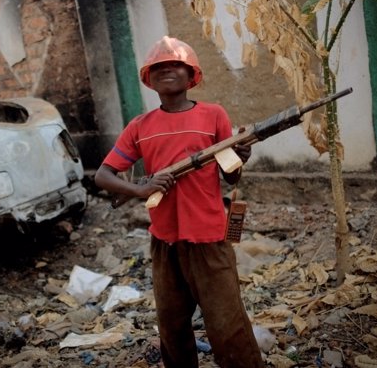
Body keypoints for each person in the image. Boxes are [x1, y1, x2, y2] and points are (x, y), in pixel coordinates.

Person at [94, 36, 263, 367]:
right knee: (172, 328)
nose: (166, 69)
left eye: (175, 65)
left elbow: (231, 177)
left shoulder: (214, 115)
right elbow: (103, 175)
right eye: (158, 66)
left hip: (210, 239)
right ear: (149, 78)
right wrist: (141, 190)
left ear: (191, 76)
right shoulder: (140, 126)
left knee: (228, 326)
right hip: (164, 242)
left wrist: (242, 155)